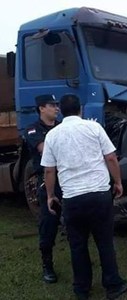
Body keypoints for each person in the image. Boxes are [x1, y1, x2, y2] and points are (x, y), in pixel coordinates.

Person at [41, 94, 127, 300]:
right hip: (99, 195)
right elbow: (110, 157)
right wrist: (117, 182)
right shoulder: (94, 128)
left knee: (77, 245)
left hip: (73, 199)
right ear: (80, 109)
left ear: (61, 111)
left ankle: (82, 289)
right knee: (105, 241)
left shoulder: (52, 136)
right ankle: (113, 286)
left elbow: (49, 171)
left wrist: (50, 195)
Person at [24, 94, 62, 284]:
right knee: (48, 225)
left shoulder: (62, 126)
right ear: (41, 108)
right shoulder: (32, 129)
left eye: (57, 105)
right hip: (47, 182)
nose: (56, 108)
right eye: (51, 105)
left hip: (68, 180)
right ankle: (47, 264)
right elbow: (44, 149)